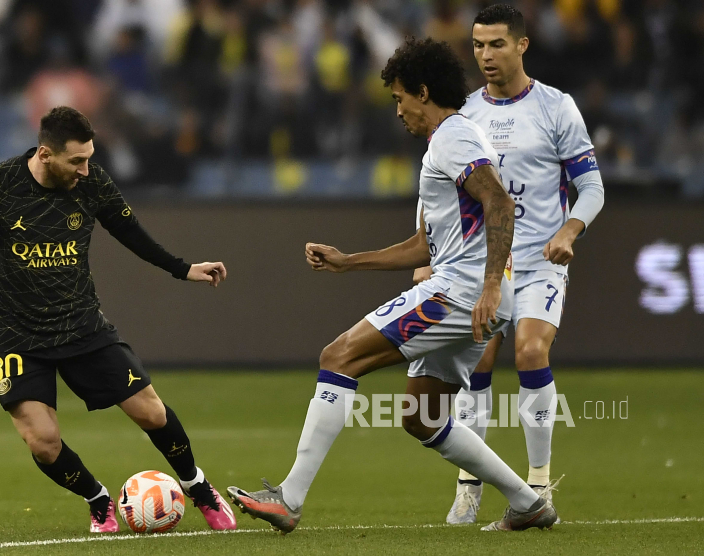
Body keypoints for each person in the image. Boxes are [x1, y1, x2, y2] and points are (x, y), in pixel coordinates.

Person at [226, 37, 557, 533]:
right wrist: (349, 262)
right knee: (422, 417)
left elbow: (500, 204)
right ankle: (528, 503)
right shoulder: (448, 145)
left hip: (460, 293)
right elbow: (427, 245)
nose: (398, 110)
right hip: (471, 291)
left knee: (338, 357)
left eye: (400, 98)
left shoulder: (453, 138)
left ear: (423, 92)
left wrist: (489, 285)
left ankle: (289, 499)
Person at [0, 106, 237, 533]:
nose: (86, 169)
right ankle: (98, 500)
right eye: (76, 160)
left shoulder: (92, 182)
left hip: (81, 324)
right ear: (45, 154)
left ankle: (198, 487)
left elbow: (130, 231)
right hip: (16, 335)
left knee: (152, 413)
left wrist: (183, 268)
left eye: (90, 157)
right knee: (43, 443)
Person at [412, 4, 605, 524]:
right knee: (476, 367)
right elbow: (436, 189)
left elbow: (591, 185)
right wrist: (430, 254)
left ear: (522, 45)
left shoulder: (556, 108)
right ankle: (469, 487)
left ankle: (539, 488)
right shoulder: (463, 114)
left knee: (531, 349)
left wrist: (570, 229)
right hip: (480, 258)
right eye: (478, 45)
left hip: (540, 256)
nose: (485, 55)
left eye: (496, 44)